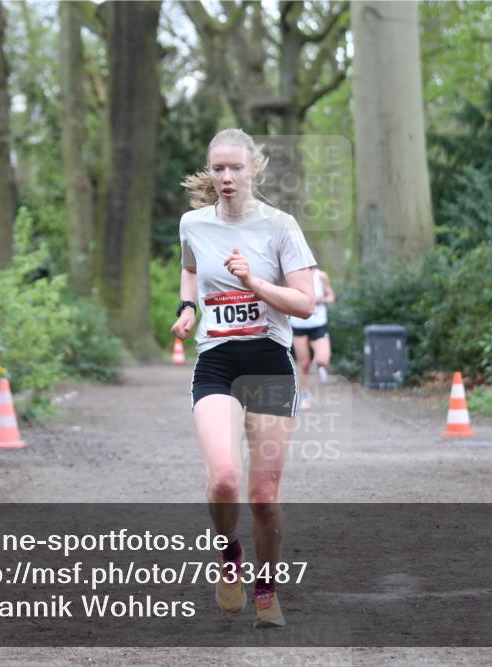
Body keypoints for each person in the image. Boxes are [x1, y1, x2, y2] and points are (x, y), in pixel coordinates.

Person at [171, 129, 317, 629]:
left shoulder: (280, 226)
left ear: (255, 167)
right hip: (216, 362)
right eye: (218, 169)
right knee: (226, 478)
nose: (226, 178)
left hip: (270, 363)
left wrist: (253, 280)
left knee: (262, 495)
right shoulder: (193, 223)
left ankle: (266, 589)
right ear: (209, 172)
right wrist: (187, 307)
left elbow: (305, 302)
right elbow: (190, 268)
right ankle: (229, 554)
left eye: (235, 168)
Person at [289, 269, 335, 409]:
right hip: (299, 325)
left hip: (318, 324)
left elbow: (331, 296)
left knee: (323, 359)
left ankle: (319, 367)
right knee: (304, 365)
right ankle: (305, 395)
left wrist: (322, 300)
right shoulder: (292, 276)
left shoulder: (321, 275)